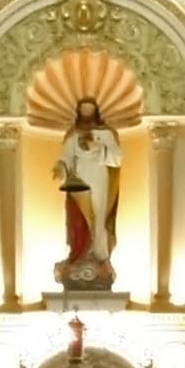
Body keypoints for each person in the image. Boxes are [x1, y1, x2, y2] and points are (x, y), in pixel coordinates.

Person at [55, 99, 124, 281]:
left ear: (95, 112)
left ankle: (100, 255)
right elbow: (67, 157)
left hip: (100, 175)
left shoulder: (106, 134)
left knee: (99, 213)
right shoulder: (73, 135)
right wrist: (61, 167)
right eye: (83, 109)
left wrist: (99, 148)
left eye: (90, 109)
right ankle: (79, 252)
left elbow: (117, 158)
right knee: (77, 216)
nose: (86, 113)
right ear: (79, 111)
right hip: (79, 178)